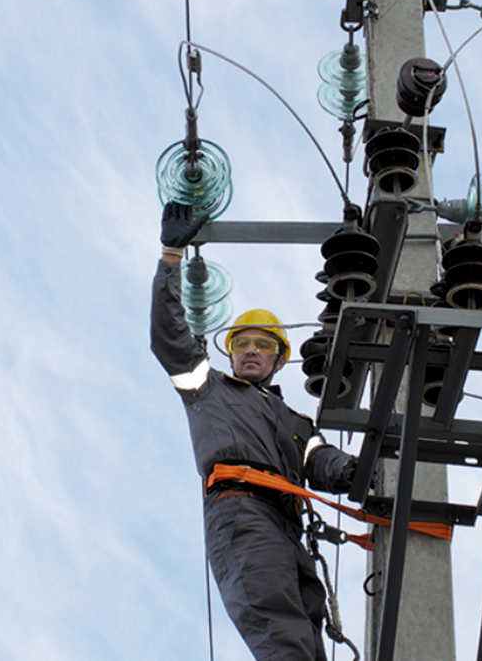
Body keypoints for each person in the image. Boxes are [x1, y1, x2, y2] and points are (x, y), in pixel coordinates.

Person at [150, 202, 360, 661]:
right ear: (228, 354)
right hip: (241, 511)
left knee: (308, 634)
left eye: (262, 345)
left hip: (287, 525)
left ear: (279, 358)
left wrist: (356, 472)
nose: (249, 351)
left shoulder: (296, 422)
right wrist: (171, 257)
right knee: (281, 637)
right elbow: (167, 335)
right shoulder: (207, 386)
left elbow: (321, 462)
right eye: (241, 343)